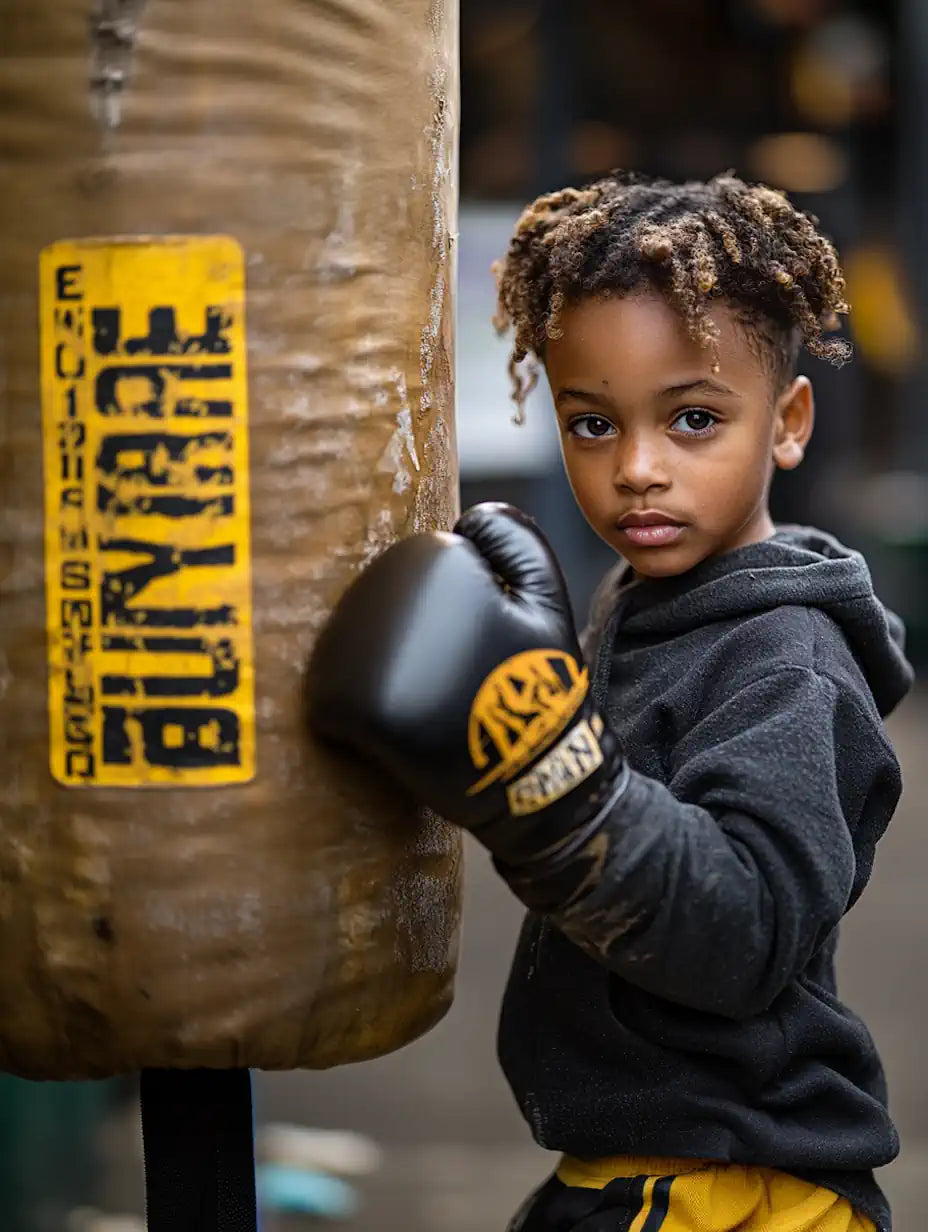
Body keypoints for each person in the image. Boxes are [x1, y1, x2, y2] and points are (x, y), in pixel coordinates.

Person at [307, 171, 913, 1232]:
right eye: (592, 425)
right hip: (637, 1167)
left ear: (788, 421)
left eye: (691, 418)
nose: (637, 468)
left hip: (735, 1191)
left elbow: (741, 933)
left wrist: (543, 767)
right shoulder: (638, 602)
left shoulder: (787, 659)